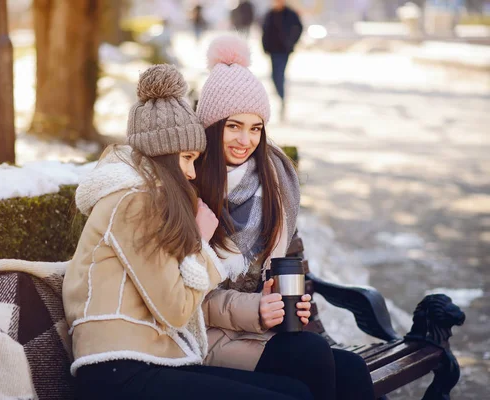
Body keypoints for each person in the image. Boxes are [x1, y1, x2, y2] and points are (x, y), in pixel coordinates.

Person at [63, 64, 313, 400]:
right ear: (163, 155)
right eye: (186, 158)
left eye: (195, 159)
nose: (192, 173)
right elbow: (177, 309)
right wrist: (202, 244)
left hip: (153, 358)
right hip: (118, 369)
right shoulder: (134, 203)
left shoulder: (147, 199)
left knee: (296, 388)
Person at [194, 35, 376, 400]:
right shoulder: (191, 189)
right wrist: (256, 311)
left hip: (257, 329)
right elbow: (183, 299)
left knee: (352, 369)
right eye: (233, 126)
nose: (245, 140)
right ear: (212, 126)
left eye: (255, 128)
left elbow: (284, 267)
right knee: (308, 357)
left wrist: (284, 300)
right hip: (204, 335)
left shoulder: (273, 185)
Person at [261, 0, 303, 119]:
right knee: (273, 75)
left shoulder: (290, 13)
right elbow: (264, 31)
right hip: (273, 50)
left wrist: (291, 42)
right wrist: (264, 46)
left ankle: (282, 98)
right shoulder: (270, 14)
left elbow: (299, 28)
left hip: (284, 51)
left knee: (280, 74)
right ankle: (280, 95)